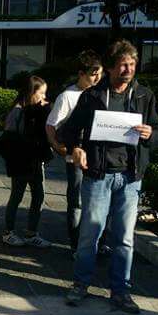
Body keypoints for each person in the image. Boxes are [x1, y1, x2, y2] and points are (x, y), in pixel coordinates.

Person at [57, 40, 158, 314]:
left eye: (132, 64)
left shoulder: (144, 96)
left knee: (125, 238)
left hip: (130, 176)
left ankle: (121, 291)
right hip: (98, 176)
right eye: (123, 65)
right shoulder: (91, 97)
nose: (128, 70)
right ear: (111, 67)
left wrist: (151, 134)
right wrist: (76, 148)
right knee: (89, 235)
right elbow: (67, 131)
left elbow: (157, 131)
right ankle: (81, 284)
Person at [46, 50, 103, 253]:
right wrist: (59, 148)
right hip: (75, 158)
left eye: (99, 74)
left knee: (97, 203)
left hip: (99, 158)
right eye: (92, 74)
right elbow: (51, 125)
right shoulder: (68, 96)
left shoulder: (101, 93)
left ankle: (97, 244)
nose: (97, 78)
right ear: (81, 73)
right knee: (77, 202)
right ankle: (76, 246)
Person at [1, 76, 53, 248]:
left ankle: (32, 232)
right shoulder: (17, 111)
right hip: (21, 160)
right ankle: (8, 232)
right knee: (17, 195)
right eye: (41, 93)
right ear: (32, 92)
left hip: (36, 160)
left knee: (39, 195)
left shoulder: (35, 109)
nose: (44, 98)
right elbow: (10, 138)